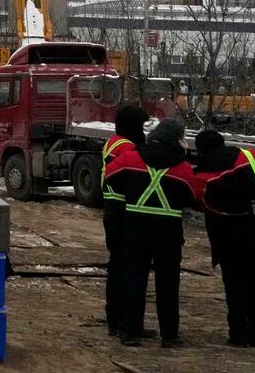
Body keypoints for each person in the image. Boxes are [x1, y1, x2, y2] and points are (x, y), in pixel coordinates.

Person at [105, 119, 196, 348]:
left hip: (135, 229)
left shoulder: (132, 158)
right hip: (169, 233)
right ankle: (169, 335)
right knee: (168, 283)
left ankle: (130, 332)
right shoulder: (182, 168)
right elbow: (194, 196)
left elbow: (110, 177)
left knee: (134, 281)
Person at [193, 129, 255, 348]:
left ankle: (238, 334)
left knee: (235, 286)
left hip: (228, 239)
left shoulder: (203, 172)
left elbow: (204, 202)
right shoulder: (247, 157)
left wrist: (240, 208)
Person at [102, 105, 150, 338]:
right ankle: (122, 320)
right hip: (122, 211)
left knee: (117, 266)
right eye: (141, 126)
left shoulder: (113, 142)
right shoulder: (127, 148)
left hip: (112, 210)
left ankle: (115, 318)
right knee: (125, 268)